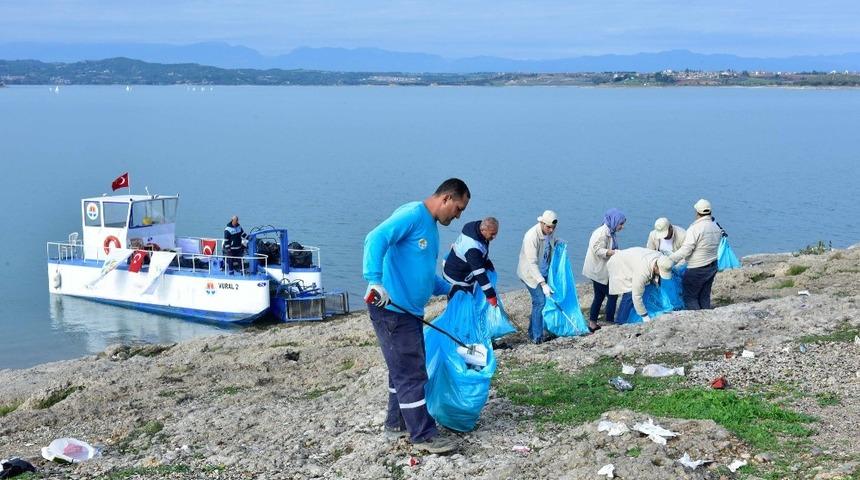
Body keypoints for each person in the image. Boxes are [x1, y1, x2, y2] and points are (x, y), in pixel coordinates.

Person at [362, 178, 470, 454]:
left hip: (409, 313)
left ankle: (395, 425)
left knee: (401, 371)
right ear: (446, 198)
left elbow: (422, 274)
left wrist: (450, 287)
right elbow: (375, 237)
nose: (458, 216)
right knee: (412, 373)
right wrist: (374, 280)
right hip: (392, 311)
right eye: (458, 209)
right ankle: (423, 435)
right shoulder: (412, 214)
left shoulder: (430, 228)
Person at [669, 199, 723, 310]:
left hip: (696, 268)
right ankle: (706, 316)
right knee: (704, 296)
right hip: (712, 265)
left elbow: (686, 249)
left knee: (690, 297)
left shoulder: (695, 228)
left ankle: (697, 319)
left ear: (697, 212)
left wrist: (670, 258)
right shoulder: (716, 227)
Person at [517, 210, 559, 343]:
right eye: (548, 227)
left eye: (553, 227)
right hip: (529, 274)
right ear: (541, 223)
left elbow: (549, 247)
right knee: (540, 301)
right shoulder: (531, 236)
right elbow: (532, 263)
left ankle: (532, 331)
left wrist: (557, 242)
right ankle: (537, 337)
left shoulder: (549, 233)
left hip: (542, 271)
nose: (551, 230)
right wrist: (542, 283)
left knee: (538, 303)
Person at [582, 208, 626, 329]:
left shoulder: (610, 232)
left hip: (601, 270)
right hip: (598, 270)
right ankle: (609, 321)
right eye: (621, 224)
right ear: (614, 221)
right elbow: (597, 250)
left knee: (599, 296)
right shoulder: (602, 233)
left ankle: (592, 323)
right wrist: (614, 252)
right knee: (612, 294)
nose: (622, 226)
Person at [608, 247, 675, 323]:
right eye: (661, 272)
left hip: (634, 260)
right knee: (629, 294)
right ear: (656, 268)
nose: (660, 274)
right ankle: (620, 321)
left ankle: (636, 310)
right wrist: (644, 316)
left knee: (647, 287)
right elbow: (636, 296)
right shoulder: (642, 272)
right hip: (620, 265)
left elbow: (653, 275)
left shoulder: (661, 259)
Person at [443, 217, 499, 305]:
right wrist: (491, 296)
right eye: (492, 234)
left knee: (467, 302)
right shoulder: (472, 247)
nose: (494, 237)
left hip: (461, 266)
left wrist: (488, 264)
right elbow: (479, 274)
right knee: (458, 305)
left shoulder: (474, 227)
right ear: (483, 229)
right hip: (456, 277)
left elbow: (481, 253)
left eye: (496, 233)